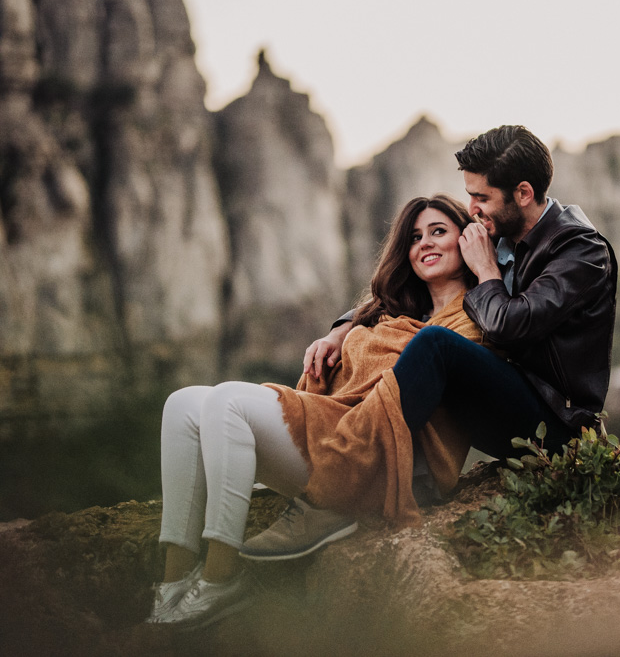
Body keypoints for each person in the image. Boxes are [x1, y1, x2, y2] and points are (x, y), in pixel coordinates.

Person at [147, 194, 483, 629]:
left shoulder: (475, 317)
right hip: (333, 429)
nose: (425, 244)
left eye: (439, 231)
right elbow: (363, 336)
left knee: (228, 400)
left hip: (375, 462)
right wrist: (342, 333)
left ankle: (220, 577)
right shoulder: (391, 313)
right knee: (183, 404)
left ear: (467, 239)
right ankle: (173, 581)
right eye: (415, 237)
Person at [287, 124, 618, 544]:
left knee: (436, 343)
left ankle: (335, 492)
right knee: (415, 335)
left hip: (557, 423)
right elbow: (411, 286)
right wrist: (343, 328)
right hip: (506, 395)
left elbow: (512, 325)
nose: (472, 208)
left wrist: (484, 271)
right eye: (470, 195)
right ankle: (398, 476)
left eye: (481, 197)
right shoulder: (504, 235)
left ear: (522, 193)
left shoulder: (581, 252)